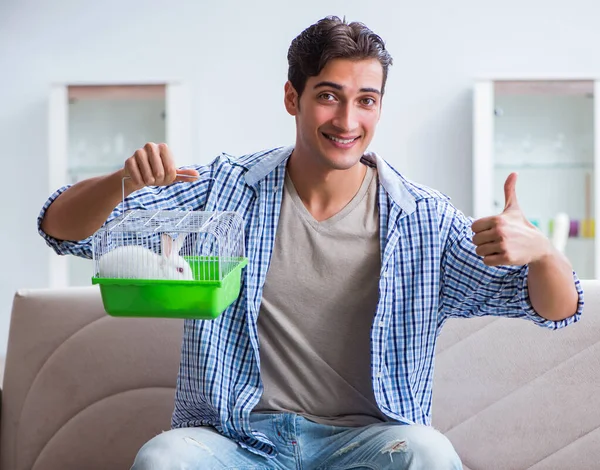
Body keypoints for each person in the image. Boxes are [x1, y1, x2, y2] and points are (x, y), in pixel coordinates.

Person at [38, 15, 583, 470]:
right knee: (164, 459)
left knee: (428, 453)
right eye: (329, 96)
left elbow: (555, 309)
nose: (348, 120)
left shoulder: (422, 220)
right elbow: (60, 230)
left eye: (366, 100)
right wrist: (122, 180)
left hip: (367, 442)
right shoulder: (224, 190)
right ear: (291, 98)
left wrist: (544, 252)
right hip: (236, 441)